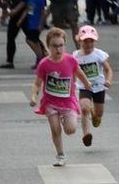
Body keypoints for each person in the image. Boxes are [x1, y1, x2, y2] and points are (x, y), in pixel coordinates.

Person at [29, 27, 90, 167]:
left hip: (68, 102)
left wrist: (87, 84)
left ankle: (66, 120)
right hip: (50, 102)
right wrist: (34, 97)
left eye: (61, 45)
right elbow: (37, 84)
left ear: (65, 45)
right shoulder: (44, 64)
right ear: (48, 46)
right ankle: (60, 154)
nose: (58, 49)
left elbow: (79, 73)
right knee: (55, 129)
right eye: (54, 46)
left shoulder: (71, 60)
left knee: (71, 129)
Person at [73, 25, 113, 148]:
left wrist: (108, 80)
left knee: (99, 113)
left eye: (91, 41)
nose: (88, 44)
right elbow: (72, 71)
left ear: (95, 41)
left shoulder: (99, 54)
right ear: (79, 40)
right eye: (85, 41)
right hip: (84, 87)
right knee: (84, 108)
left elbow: (109, 70)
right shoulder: (75, 56)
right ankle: (87, 134)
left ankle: (95, 114)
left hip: (99, 86)